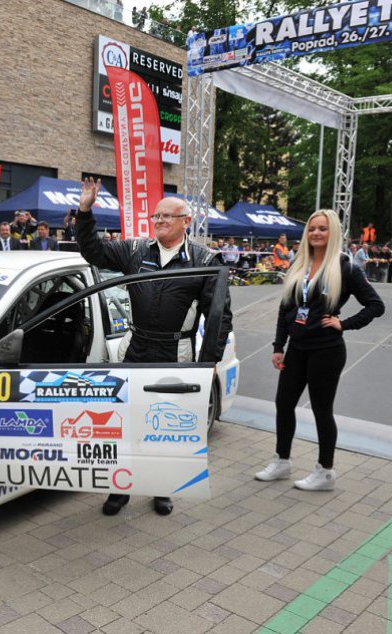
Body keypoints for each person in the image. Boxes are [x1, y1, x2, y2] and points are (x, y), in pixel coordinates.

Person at [76, 179, 232, 517]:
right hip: (136, 348)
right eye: (155, 216)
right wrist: (85, 211)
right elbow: (93, 251)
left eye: (166, 216)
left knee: (167, 427)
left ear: (185, 221)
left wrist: (208, 365)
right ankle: (120, 489)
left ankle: (163, 489)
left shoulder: (205, 259)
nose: (158, 221)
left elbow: (220, 317)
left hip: (176, 354)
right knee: (127, 423)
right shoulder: (136, 250)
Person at [257, 209, 384, 491]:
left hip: (326, 351)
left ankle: (325, 472)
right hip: (296, 349)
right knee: (283, 404)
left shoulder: (346, 267)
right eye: (312, 228)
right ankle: (282, 461)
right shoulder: (298, 263)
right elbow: (285, 310)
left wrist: (344, 324)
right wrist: (278, 346)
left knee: (321, 411)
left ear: (333, 232)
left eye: (323, 229)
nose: (316, 233)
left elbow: (376, 305)